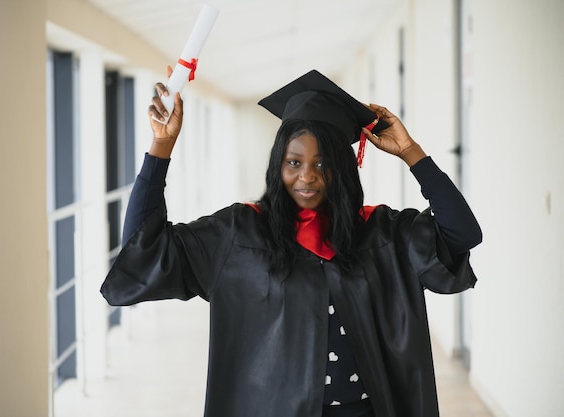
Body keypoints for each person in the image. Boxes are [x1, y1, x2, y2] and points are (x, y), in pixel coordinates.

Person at [101, 69, 482, 417]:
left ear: (344, 169)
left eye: (323, 163)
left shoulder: (381, 233)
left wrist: (412, 153)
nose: (308, 177)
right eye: (294, 162)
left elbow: (462, 233)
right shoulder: (240, 233)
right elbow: (144, 247)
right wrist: (161, 148)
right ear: (277, 165)